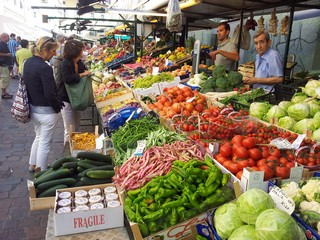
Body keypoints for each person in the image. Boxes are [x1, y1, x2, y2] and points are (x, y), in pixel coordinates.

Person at [23, 36, 64, 172]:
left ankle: (32, 164)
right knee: (45, 142)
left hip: (33, 109)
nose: (55, 54)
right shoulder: (45, 68)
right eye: (53, 51)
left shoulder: (27, 62)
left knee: (39, 137)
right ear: (44, 49)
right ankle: (41, 170)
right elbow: (50, 94)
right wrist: (57, 108)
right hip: (47, 112)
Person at [58, 40, 91, 144]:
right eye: (82, 49)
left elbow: (84, 70)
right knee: (69, 129)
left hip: (77, 97)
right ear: (76, 51)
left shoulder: (78, 62)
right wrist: (83, 75)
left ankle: (75, 149)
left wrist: (86, 72)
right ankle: (68, 153)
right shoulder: (65, 63)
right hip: (66, 99)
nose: (83, 50)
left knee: (76, 126)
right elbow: (67, 79)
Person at [0, 32, 13, 99]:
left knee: (4, 79)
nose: (8, 38)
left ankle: (4, 93)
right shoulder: (1, 43)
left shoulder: (4, 43)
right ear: (4, 37)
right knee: (4, 79)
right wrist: (6, 55)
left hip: (4, 64)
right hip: (3, 65)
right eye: (7, 37)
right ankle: (4, 94)